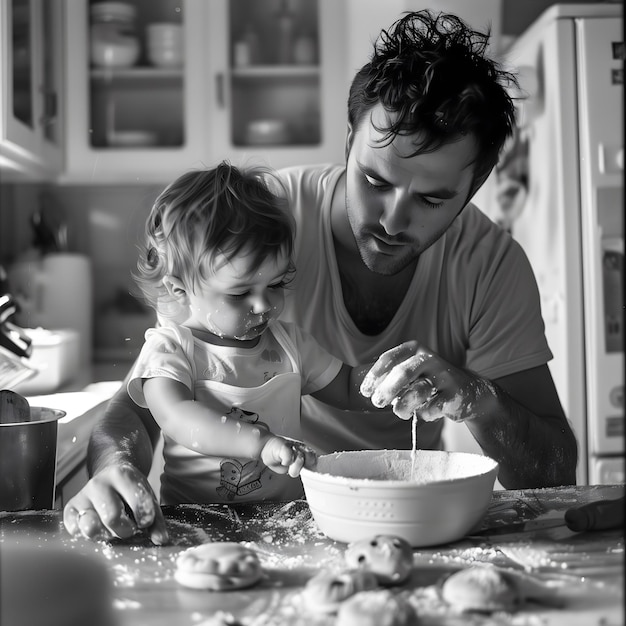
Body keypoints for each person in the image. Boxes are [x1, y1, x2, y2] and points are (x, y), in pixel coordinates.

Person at [64, 10, 578, 544]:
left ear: (472, 191)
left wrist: (478, 397)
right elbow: (145, 405)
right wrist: (112, 468)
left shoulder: (489, 264)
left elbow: (554, 476)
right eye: (374, 179)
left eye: (431, 198)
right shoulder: (254, 228)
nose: (392, 219)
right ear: (348, 140)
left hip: (398, 520)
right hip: (261, 526)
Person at [114, 162, 385, 506]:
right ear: (180, 290)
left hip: (285, 518)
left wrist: (393, 386)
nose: (262, 305)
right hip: (199, 521)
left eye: (276, 284)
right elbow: (176, 416)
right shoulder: (172, 350)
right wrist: (260, 443)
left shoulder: (290, 345)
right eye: (240, 293)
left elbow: (348, 387)